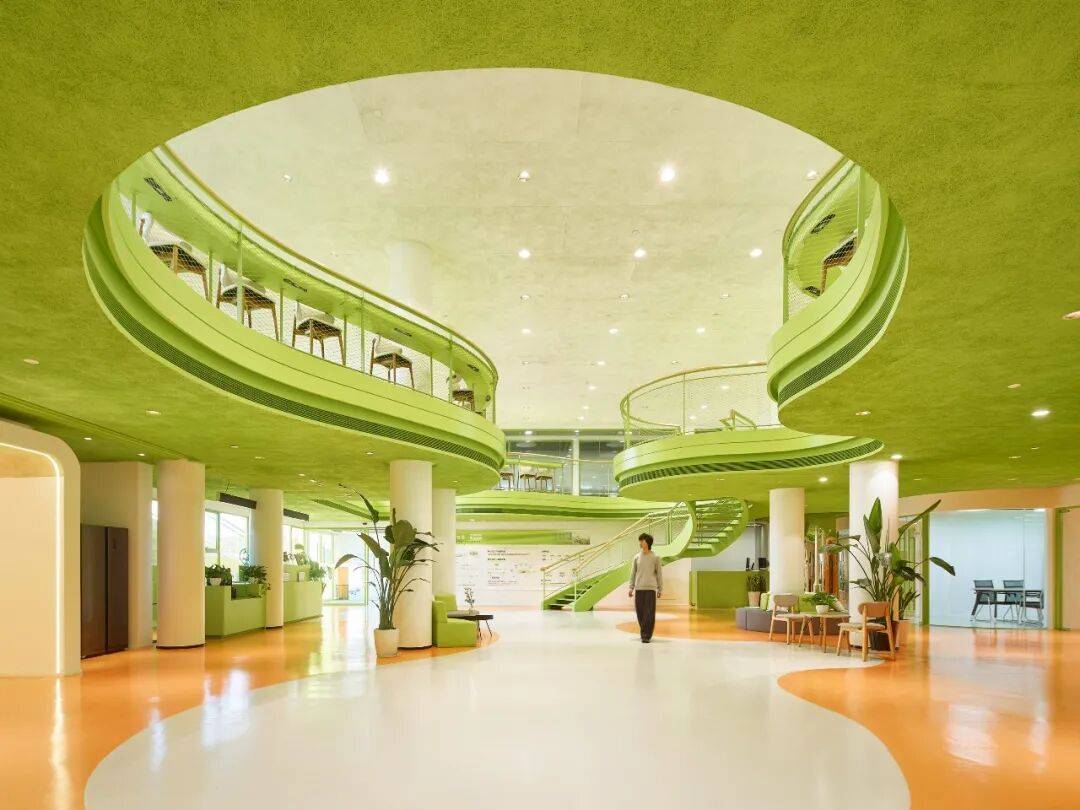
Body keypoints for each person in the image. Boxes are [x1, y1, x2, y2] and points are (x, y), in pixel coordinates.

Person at [628, 533, 662, 643]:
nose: (640, 543)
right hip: (639, 588)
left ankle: (646, 635)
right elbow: (633, 573)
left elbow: (659, 574)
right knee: (640, 613)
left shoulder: (655, 557)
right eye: (640, 541)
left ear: (647, 542)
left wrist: (660, 589)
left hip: (650, 589)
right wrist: (631, 587)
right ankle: (644, 631)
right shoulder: (636, 557)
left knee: (649, 613)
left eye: (642, 541)